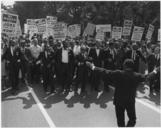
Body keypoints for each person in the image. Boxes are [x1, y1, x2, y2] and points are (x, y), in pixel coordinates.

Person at [86, 59, 156, 127]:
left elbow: (104, 72)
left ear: (124, 66)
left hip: (119, 101)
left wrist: (92, 67)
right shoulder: (136, 76)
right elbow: (148, 77)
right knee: (132, 120)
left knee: (120, 120)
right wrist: (157, 70)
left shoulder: (118, 73)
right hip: (130, 101)